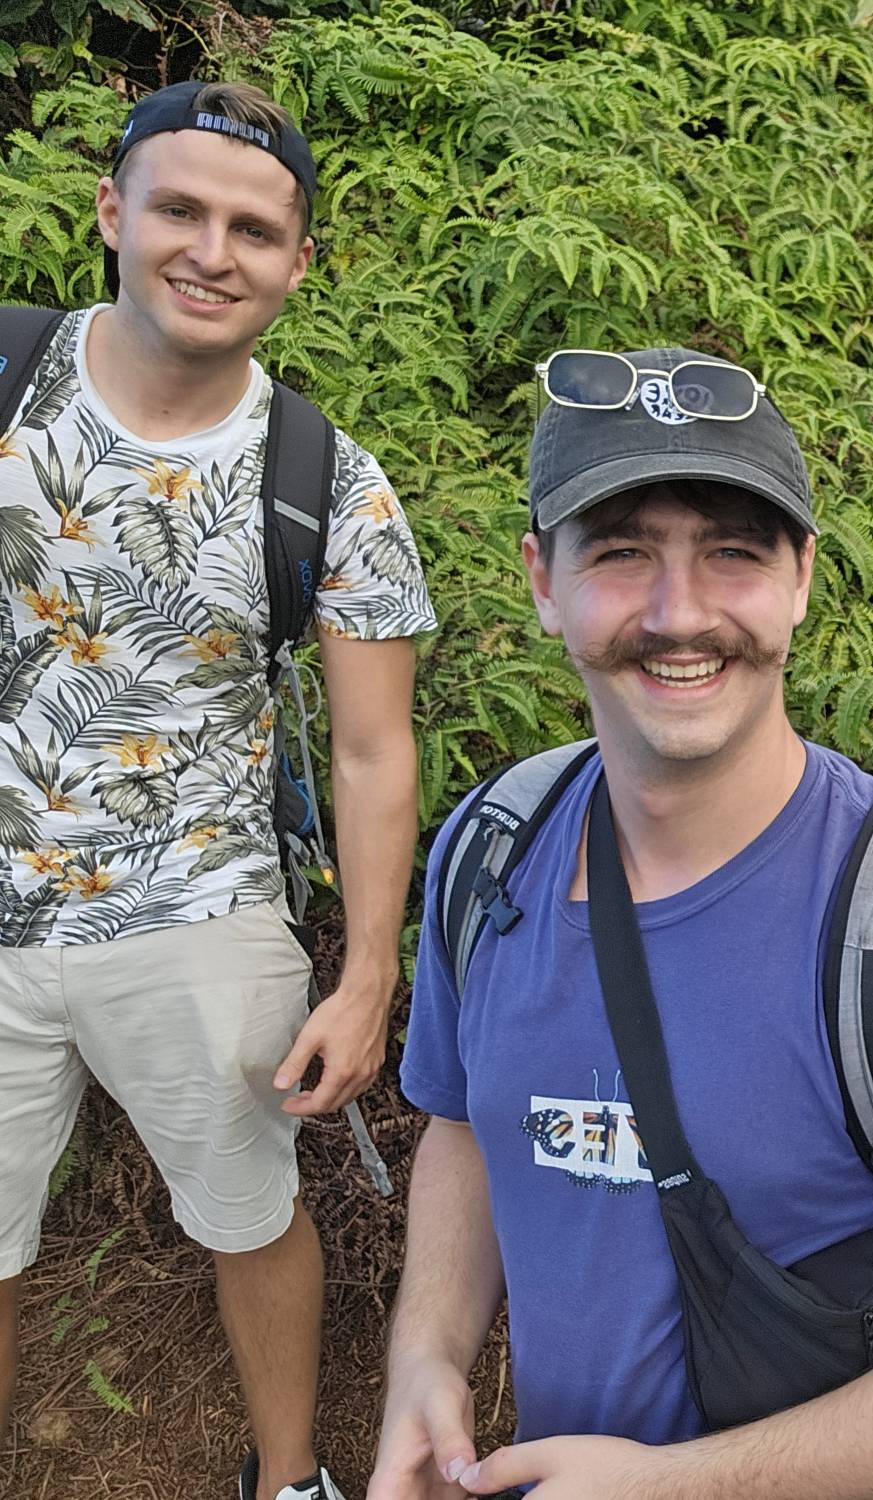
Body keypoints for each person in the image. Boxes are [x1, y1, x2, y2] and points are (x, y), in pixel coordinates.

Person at [372, 348, 873, 1500]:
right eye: (620, 553)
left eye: (734, 552)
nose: (680, 615)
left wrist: (677, 1485)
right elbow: (471, 1131)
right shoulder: (491, 849)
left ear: (803, 579)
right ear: (539, 577)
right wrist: (426, 1359)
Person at [0, 81, 434, 1500]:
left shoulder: (327, 481)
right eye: (179, 208)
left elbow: (374, 752)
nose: (212, 249)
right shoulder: (8, 382)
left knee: (252, 1214)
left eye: (255, 227)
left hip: (200, 907)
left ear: (299, 263)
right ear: (113, 210)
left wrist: (366, 976)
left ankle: (293, 1475)